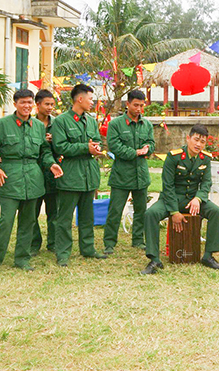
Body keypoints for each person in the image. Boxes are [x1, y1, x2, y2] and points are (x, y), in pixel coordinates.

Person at [0, 89, 63, 274]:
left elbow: (44, 151)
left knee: (28, 222)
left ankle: (22, 259)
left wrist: (51, 164)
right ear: (15, 104)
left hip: (33, 180)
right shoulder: (1, 125)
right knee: (6, 222)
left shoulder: (38, 126)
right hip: (9, 179)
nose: (27, 106)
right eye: (23, 102)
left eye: (29, 102)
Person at [141, 124, 219, 273]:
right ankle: (154, 260)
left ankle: (208, 256)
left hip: (192, 200)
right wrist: (174, 212)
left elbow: (206, 183)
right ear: (188, 138)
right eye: (196, 139)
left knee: (216, 211)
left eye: (203, 142)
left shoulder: (205, 159)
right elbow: (168, 185)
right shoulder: (174, 157)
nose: (198, 144)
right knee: (150, 214)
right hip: (171, 199)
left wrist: (198, 198)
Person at [50, 83, 108, 266]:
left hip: (88, 175)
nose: (93, 102)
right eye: (91, 99)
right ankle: (63, 253)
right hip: (70, 175)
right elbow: (60, 147)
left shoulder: (91, 121)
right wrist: (86, 148)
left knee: (87, 215)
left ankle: (88, 248)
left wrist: (96, 149)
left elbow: (96, 140)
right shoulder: (61, 121)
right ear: (79, 99)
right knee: (65, 217)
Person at [104, 89, 155, 253]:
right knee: (115, 210)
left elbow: (151, 142)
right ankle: (110, 243)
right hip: (121, 175)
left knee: (141, 210)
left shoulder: (146, 124)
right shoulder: (115, 124)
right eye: (136, 105)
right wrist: (135, 153)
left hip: (141, 175)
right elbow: (115, 146)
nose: (139, 109)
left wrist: (148, 148)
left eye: (141, 105)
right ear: (128, 104)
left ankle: (138, 240)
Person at [30, 88, 58, 255]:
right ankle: (34, 244)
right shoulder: (30, 123)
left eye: (52, 105)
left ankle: (53, 243)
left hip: (54, 172)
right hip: (35, 172)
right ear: (37, 104)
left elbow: (65, 143)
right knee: (32, 212)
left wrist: (55, 141)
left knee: (54, 211)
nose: (49, 107)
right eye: (46, 104)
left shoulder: (58, 123)